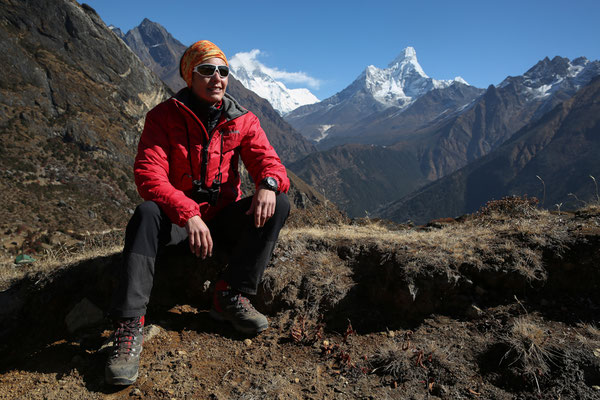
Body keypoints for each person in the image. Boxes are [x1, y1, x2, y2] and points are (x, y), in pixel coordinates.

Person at [105, 40, 290, 386]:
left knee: (278, 201)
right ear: (190, 76)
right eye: (207, 70)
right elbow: (149, 175)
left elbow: (270, 163)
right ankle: (129, 326)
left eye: (223, 71)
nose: (217, 78)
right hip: (178, 224)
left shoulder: (242, 121)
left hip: (219, 223)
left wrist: (267, 181)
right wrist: (187, 213)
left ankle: (230, 294)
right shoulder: (162, 117)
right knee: (146, 213)